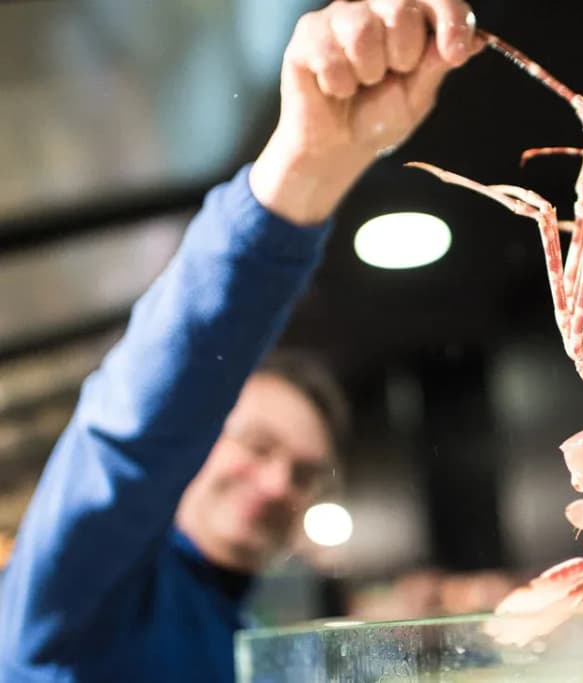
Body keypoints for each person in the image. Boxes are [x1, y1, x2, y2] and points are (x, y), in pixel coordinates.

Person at [0, 2, 480, 681]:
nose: (277, 483)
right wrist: (302, 173)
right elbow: (133, 432)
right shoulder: (76, 600)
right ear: (197, 436)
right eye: (257, 445)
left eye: (303, 472)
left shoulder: (249, 636)